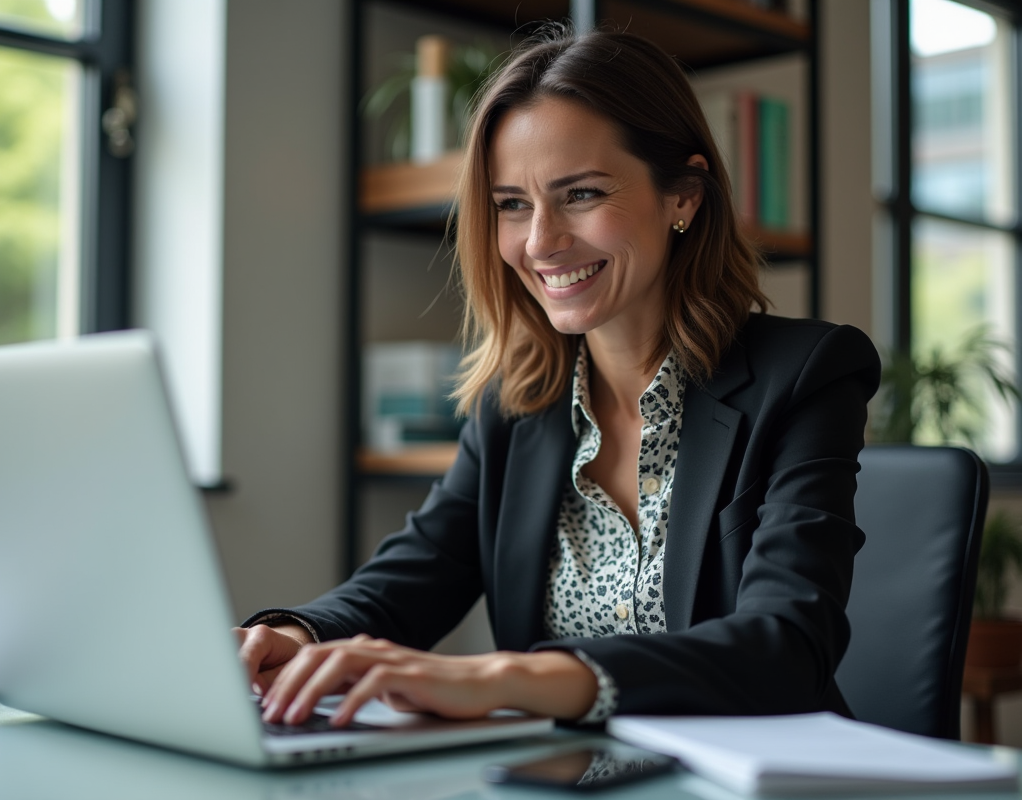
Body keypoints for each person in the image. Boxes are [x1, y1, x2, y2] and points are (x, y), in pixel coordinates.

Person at [236, 26, 880, 729]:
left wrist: (511, 677)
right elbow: (411, 578)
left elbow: (787, 647)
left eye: (580, 194)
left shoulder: (806, 378)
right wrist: (298, 636)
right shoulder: (515, 405)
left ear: (684, 197)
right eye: (512, 203)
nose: (540, 240)